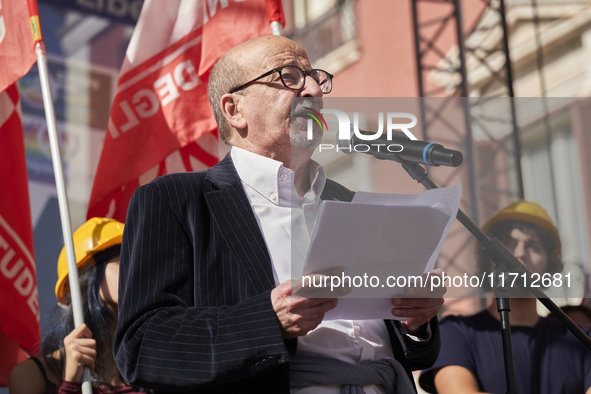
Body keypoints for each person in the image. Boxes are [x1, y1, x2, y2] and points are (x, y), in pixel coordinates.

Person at [114, 35, 445, 394]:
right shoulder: (174, 200)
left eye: (316, 77)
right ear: (233, 110)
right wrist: (268, 320)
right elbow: (142, 345)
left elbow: (410, 352)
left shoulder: (349, 204)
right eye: (288, 76)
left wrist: (415, 321)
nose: (314, 89)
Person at [419, 200, 591, 394]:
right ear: (486, 262)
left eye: (533, 246)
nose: (519, 254)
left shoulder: (581, 339)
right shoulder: (455, 333)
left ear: (549, 265)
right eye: (507, 244)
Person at [8, 218, 145, 394]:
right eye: (124, 260)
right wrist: (70, 383)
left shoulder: (153, 370)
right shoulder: (31, 375)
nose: (138, 271)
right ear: (86, 274)